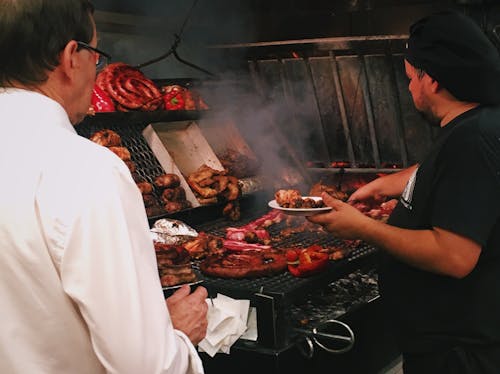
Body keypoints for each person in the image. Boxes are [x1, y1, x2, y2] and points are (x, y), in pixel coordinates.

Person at [0, 1, 208, 373]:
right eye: (95, 54)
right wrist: (176, 335)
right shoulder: (86, 169)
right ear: (70, 58)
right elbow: (145, 366)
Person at [308, 10, 500, 374]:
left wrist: (362, 228)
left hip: (460, 355)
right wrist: (388, 184)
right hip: (453, 342)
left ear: (433, 80)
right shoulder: (478, 123)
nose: (409, 87)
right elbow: (446, 173)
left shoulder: (471, 140)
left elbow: (454, 256)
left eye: (411, 77)